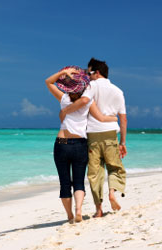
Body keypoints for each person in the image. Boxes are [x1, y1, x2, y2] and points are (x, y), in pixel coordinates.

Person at [45, 66, 117, 223]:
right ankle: (79, 209)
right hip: (80, 144)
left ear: (67, 86)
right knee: (78, 181)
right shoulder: (88, 101)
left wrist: (63, 73)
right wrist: (114, 118)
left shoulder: (64, 99)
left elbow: (48, 82)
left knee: (64, 182)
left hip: (61, 143)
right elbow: (101, 118)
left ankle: (70, 216)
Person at [60, 58, 127, 217]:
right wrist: (123, 142)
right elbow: (123, 119)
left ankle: (98, 210)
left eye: (88, 73)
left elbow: (84, 100)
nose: (87, 76)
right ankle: (112, 193)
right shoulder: (118, 91)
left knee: (95, 173)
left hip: (92, 135)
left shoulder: (90, 86)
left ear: (97, 73)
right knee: (115, 167)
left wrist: (66, 111)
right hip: (111, 133)